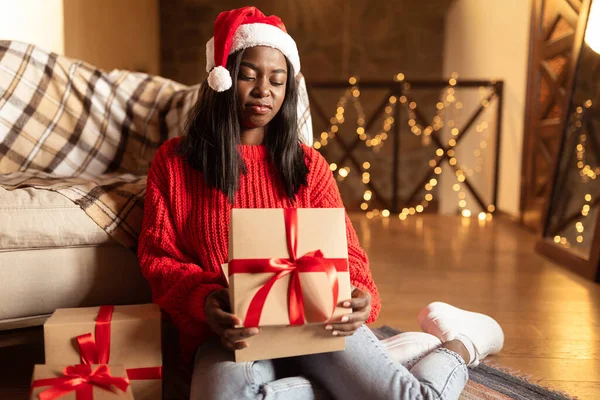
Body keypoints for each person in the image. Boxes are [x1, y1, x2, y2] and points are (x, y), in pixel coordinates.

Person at [137, 6, 504, 400]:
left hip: (317, 327)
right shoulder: (176, 162)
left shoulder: (308, 165)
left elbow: (349, 256)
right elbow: (158, 258)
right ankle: (367, 375)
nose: (265, 91)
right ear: (221, 79)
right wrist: (205, 301)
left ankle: (462, 343)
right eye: (249, 76)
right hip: (230, 335)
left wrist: (360, 294)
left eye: (278, 81)